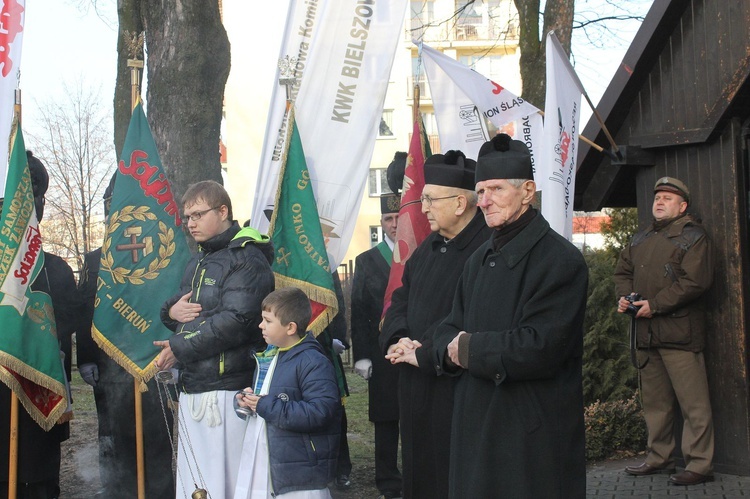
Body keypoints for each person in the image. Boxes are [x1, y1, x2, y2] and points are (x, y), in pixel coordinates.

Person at [429, 134, 588, 498]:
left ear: (527, 192)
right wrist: (447, 348)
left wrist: (466, 349)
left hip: (529, 438)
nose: (483, 201)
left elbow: (540, 346)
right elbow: (448, 327)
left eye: (496, 189)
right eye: (480, 191)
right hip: (475, 428)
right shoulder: (478, 259)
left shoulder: (561, 261)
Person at [380, 150, 491, 499]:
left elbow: (471, 314)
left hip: (455, 387)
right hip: (415, 382)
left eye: (429, 198)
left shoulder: (487, 249)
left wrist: (424, 349)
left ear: (460, 203)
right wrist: (398, 339)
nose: (422, 207)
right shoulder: (428, 246)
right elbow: (401, 299)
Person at [156, 180, 275, 499]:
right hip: (195, 386)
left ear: (223, 211)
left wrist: (178, 346)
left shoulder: (247, 258)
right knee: (197, 482)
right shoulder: (197, 261)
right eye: (187, 217)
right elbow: (179, 305)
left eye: (198, 214)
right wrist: (170, 315)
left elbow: (235, 322)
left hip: (230, 392)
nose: (191, 223)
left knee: (229, 482)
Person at [76, 174, 176, 498]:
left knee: (156, 432)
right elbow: (83, 313)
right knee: (113, 434)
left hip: (153, 361)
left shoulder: (162, 255)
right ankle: (116, 489)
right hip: (109, 366)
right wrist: (86, 359)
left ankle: (158, 490)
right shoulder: (94, 260)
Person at [614, 176, 715, 486]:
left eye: (667, 198)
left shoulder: (694, 237)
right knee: (655, 404)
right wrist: (625, 297)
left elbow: (695, 283)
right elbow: (622, 272)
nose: (659, 201)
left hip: (679, 333)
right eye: (657, 197)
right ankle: (659, 459)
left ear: (682, 206)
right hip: (646, 334)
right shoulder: (640, 237)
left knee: (694, 405)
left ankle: (699, 465)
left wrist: (654, 305)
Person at [0, 152, 83, 499]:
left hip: (41, 386)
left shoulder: (55, 268)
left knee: (39, 478)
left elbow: (70, 322)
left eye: (35, 196)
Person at [233, 287, 341, 498]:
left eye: (267, 320)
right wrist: (246, 403)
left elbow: (320, 412)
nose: (260, 325)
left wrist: (265, 405)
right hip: (266, 466)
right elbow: (265, 402)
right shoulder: (268, 356)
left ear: (290, 327)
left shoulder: (313, 362)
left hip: (300, 477)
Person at [350, 192, 402, 499]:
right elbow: (359, 311)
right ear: (381, 223)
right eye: (388, 219)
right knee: (385, 420)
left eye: (399, 218)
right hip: (382, 354)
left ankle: (419, 473)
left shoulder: (421, 253)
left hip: (416, 351)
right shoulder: (367, 260)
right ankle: (387, 480)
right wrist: (363, 356)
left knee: (416, 418)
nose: (394, 224)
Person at [315, 272, 353, 491]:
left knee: (336, 412)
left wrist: (339, 338)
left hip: (328, 347)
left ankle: (341, 469)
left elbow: (337, 305)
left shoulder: (323, 262)